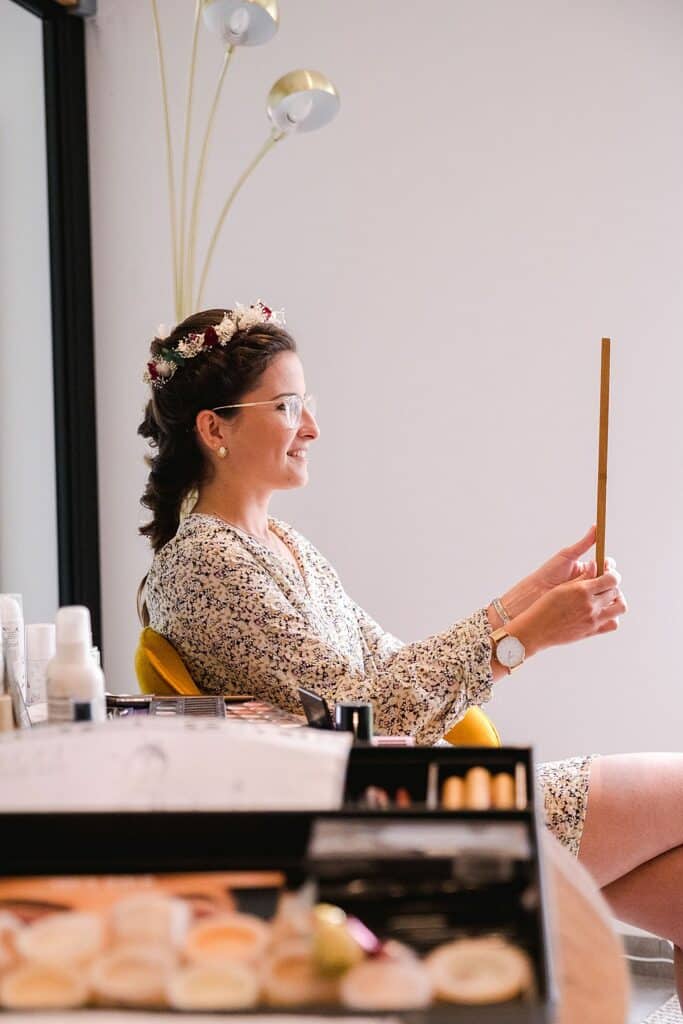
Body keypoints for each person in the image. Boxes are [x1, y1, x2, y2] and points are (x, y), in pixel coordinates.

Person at [139, 304, 683, 1000]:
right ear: (214, 427)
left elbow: (389, 668)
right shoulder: (205, 564)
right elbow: (372, 709)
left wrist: (521, 601)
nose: (311, 427)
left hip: (413, 792)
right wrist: (524, 638)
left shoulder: (284, 547)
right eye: (286, 405)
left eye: (307, 403)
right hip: (391, 820)